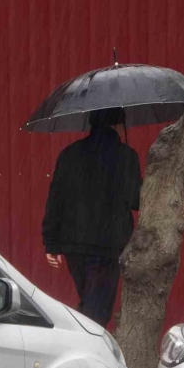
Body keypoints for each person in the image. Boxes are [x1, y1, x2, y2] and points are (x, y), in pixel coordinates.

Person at [42, 108, 142, 327]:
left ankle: (84, 342)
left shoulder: (69, 154)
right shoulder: (126, 156)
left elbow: (55, 200)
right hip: (108, 244)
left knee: (90, 301)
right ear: (117, 125)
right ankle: (87, 350)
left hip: (73, 245)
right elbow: (136, 201)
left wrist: (51, 243)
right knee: (97, 312)